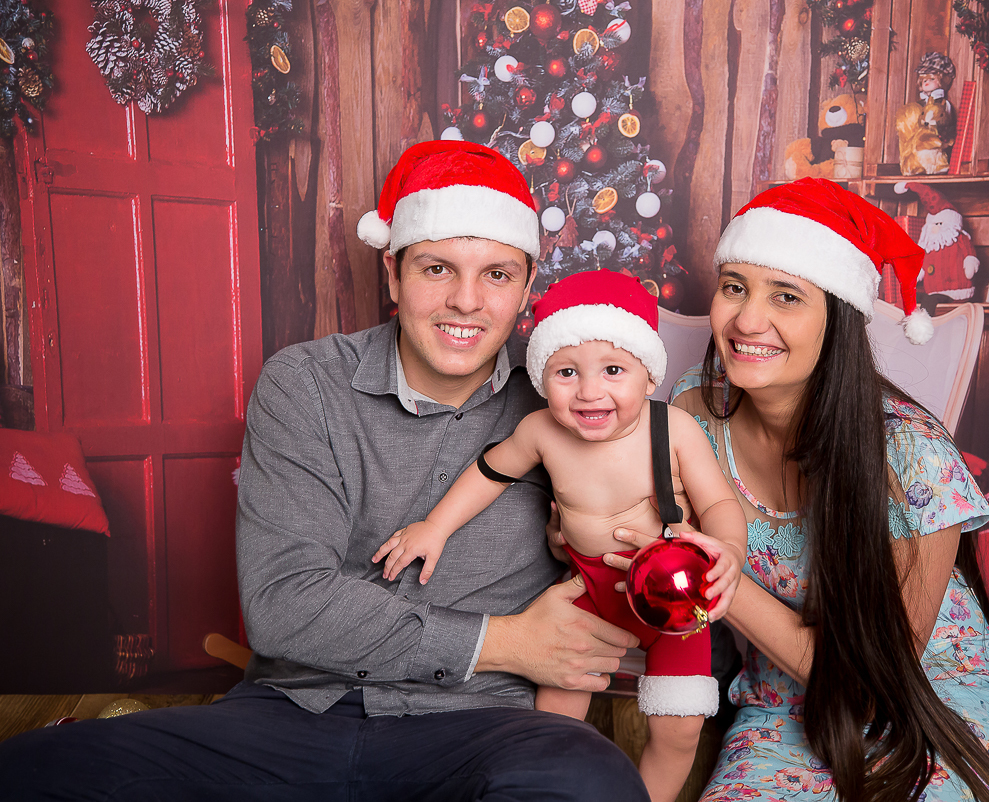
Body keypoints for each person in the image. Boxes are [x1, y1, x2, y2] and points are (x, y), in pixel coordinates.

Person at [0, 140, 649, 802]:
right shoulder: (305, 383)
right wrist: (506, 642)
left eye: (497, 275)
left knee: (589, 780)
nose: (466, 302)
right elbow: (285, 604)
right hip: (291, 716)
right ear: (392, 274)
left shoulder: (570, 400)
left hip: (478, 730)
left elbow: (644, 549)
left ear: (527, 288)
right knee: (36, 770)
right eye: (436, 269)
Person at [599, 179, 989, 802]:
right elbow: (628, 526)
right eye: (734, 288)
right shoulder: (692, 417)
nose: (749, 320)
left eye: (786, 296)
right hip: (780, 702)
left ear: (838, 317)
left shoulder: (911, 455)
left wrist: (712, 579)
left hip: (928, 704)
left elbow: (872, 682)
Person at [374, 268, 748, 802]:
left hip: (675, 598)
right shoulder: (541, 431)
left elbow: (717, 503)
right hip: (587, 595)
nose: (589, 391)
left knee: (680, 727)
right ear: (541, 377)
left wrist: (729, 549)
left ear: (649, 377)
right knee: (553, 724)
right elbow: (488, 472)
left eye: (613, 369)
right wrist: (436, 526)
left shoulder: (673, 428)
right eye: (566, 372)